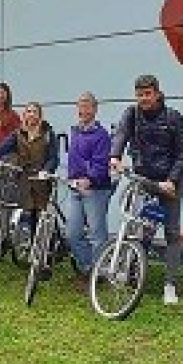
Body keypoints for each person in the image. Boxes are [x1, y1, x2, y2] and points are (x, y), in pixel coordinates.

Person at [110, 74, 183, 305]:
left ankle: (170, 284)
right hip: (143, 182)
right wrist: (115, 156)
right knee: (140, 231)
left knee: (172, 233)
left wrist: (173, 180)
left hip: (169, 184)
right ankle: (135, 276)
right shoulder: (132, 114)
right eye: (139, 94)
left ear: (157, 93)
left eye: (147, 94)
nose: (143, 98)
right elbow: (121, 135)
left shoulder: (173, 117)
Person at [0, 102, 60, 248]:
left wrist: (47, 171)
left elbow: (53, 158)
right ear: (24, 115)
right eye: (28, 111)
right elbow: (4, 146)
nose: (31, 114)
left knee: (40, 214)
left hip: (41, 180)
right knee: (27, 211)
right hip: (24, 180)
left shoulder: (48, 134)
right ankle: (33, 247)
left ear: (40, 115)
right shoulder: (18, 134)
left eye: (35, 111)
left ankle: (45, 251)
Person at [64, 92, 112, 293]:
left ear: (94, 109)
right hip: (75, 187)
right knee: (72, 233)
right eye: (80, 106)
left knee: (96, 233)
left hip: (96, 189)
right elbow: (73, 160)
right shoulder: (75, 132)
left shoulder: (102, 135)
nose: (82, 111)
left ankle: (97, 274)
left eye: (86, 106)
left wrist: (89, 179)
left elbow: (101, 163)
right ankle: (87, 267)